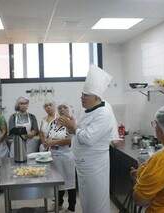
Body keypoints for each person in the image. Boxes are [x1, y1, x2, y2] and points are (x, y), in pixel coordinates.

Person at [59, 65, 118, 213]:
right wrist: (70, 119)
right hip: (84, 164)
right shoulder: (87, 109)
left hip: (95, 166)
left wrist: (72, 127)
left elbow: (88, 138)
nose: (82, 98)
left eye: (86, 95)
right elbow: (80, 126)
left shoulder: (104, 113)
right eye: (82, 94)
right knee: (86, 202)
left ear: (97, 97)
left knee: (96, 202)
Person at [45, 103, 76, 212]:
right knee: (57, 182)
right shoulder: (53, 122)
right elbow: (47, 137)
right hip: (54, 156)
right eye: (60, 108)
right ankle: (58, 203)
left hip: (66, 156)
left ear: (69, 109)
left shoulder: (71, 123)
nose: (62, 110)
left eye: (65, 107)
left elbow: (69, 140)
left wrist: (53, 142)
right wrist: (49, 142)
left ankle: (71, 207)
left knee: (70, 182)